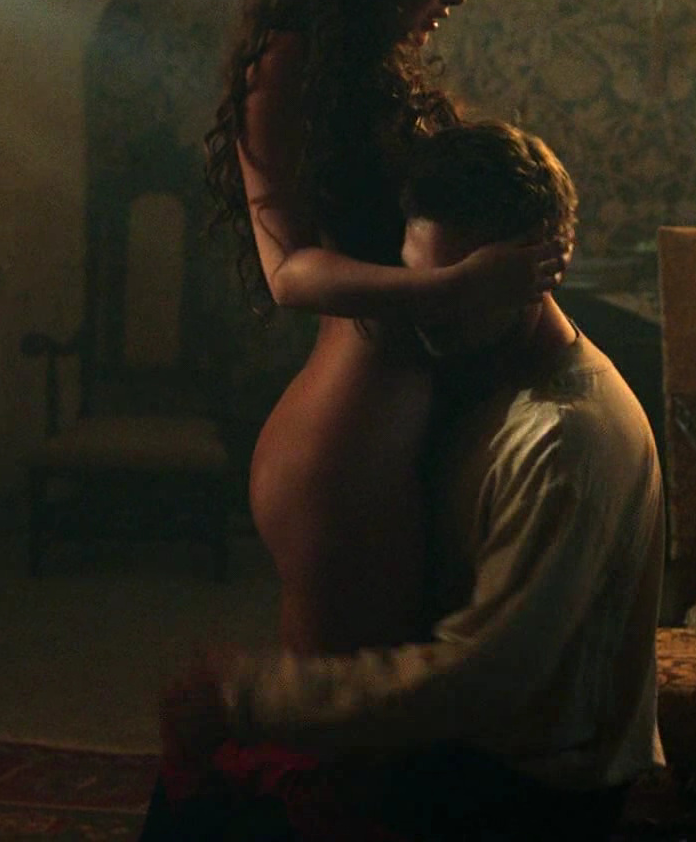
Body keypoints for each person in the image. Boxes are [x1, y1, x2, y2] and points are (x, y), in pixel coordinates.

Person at [151, 121, 666, 841]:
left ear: (530, 268)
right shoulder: (479, 375)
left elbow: (482, 681)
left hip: (534, 788)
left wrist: (258, 698)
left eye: (458, 288)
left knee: (219, 804)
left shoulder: (563, 437)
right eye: (423, 284)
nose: (430, 313)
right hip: (477, 749)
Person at [202, 0, 569, 656]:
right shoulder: (286, 64)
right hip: (343, 445)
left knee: (389, 698)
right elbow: (289, 271)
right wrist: (459, 286)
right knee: (342, 707)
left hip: (393, 430)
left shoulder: (372, 70)